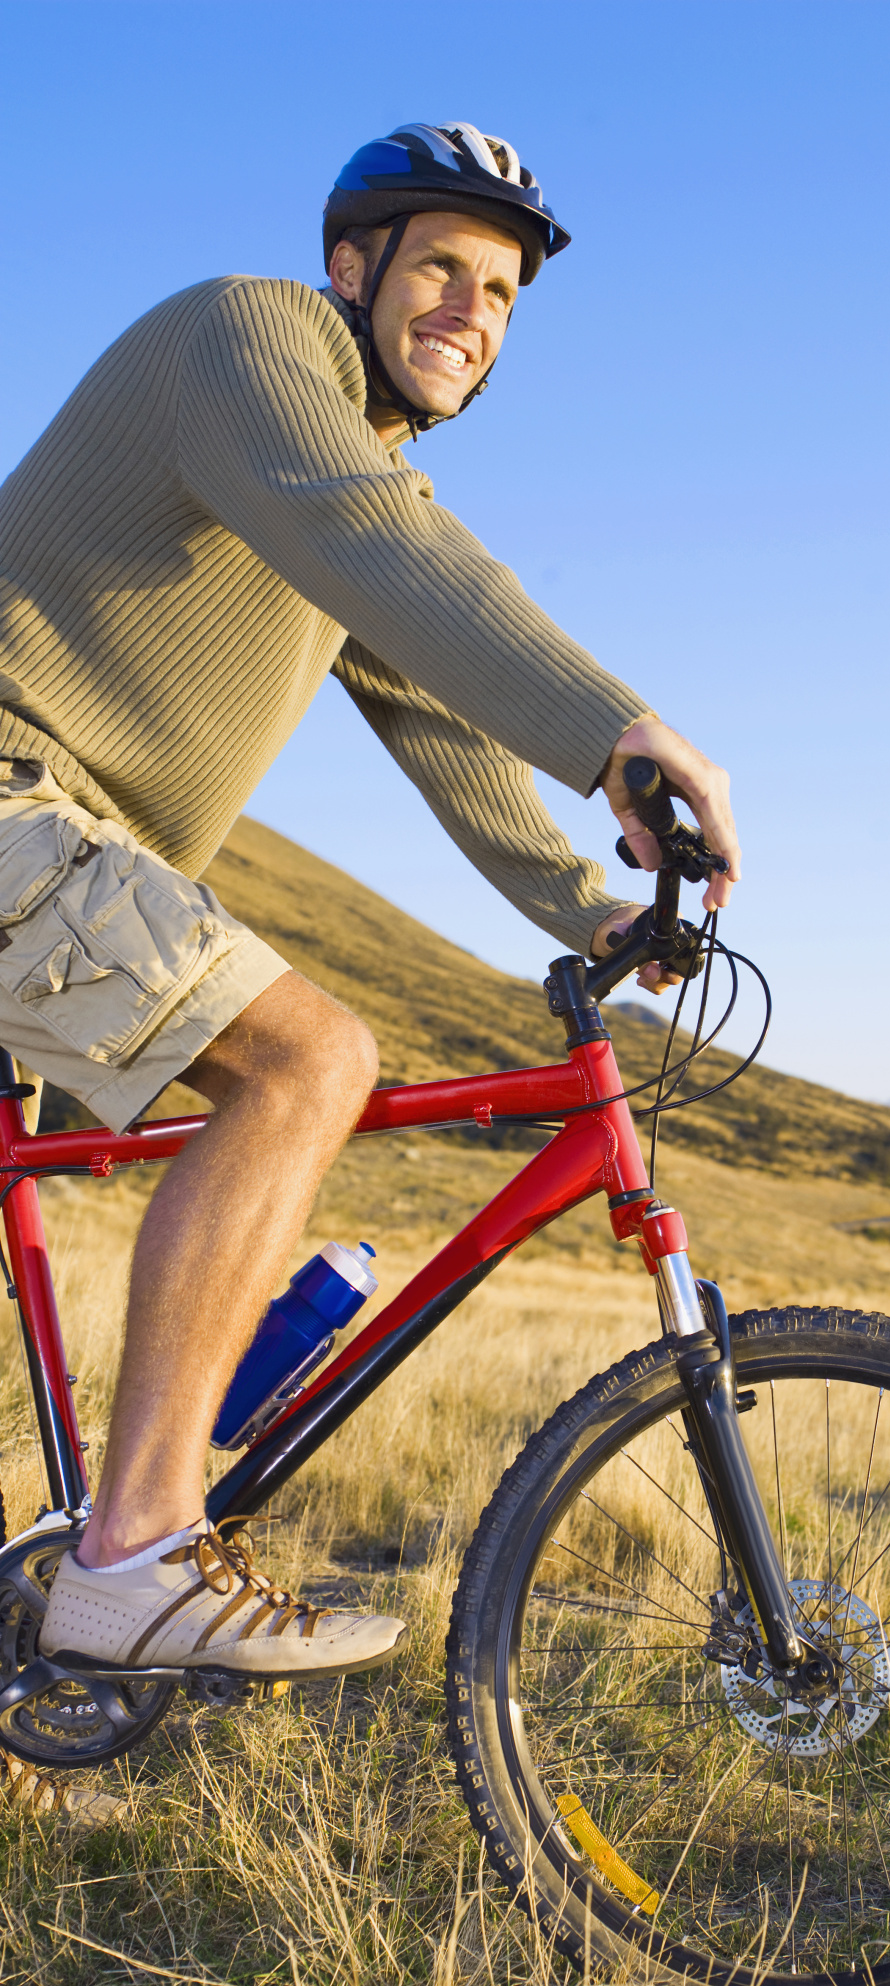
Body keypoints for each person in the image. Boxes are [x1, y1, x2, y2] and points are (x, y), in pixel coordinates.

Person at [0, 121, 738, 1683]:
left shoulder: (353, 477)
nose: (472, 309)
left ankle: (43, 1686)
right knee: (308, 1061)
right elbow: (383, 552)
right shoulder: (252, 346)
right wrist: (620, 723)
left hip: (59, 854)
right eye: (443, 269)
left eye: (503, 295)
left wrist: (582, 903)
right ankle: (136, 1553)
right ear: (354, 266)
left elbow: (435, 711)